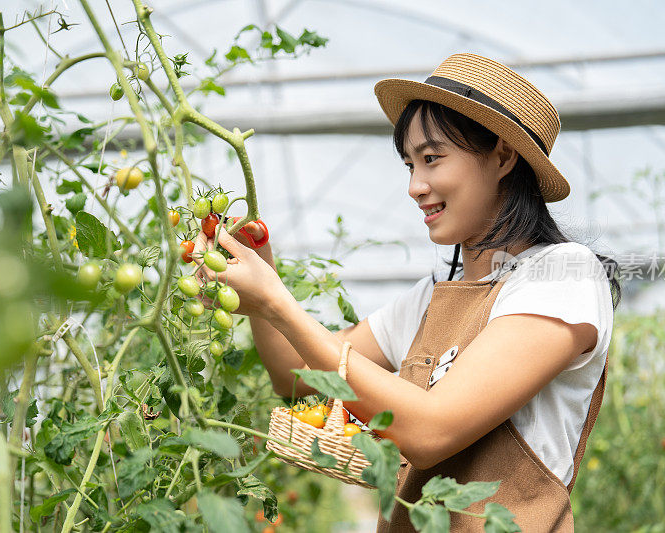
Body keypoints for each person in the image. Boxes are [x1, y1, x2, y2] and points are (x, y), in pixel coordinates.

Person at [193, 52, 620, 532]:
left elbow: (430, 430)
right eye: (409, 164)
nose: (415, 186)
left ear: (502, 156)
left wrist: (277, 302)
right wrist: (257, 267)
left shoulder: (561, 275)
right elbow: (296, 378)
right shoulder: (430, 299)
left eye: (432, 158)